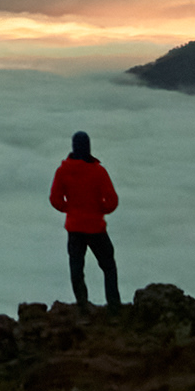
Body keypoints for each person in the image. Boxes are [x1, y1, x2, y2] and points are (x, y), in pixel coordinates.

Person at [50, 130, 119, 307]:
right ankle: (114, 306)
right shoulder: (98, 171)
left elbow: (55, 199)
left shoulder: (63, 171)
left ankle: (82, 306)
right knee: (108, 267)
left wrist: (70, 209)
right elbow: (112, 201)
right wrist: (100, 210)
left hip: (74, 228)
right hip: (96, 228)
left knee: (76, 269)